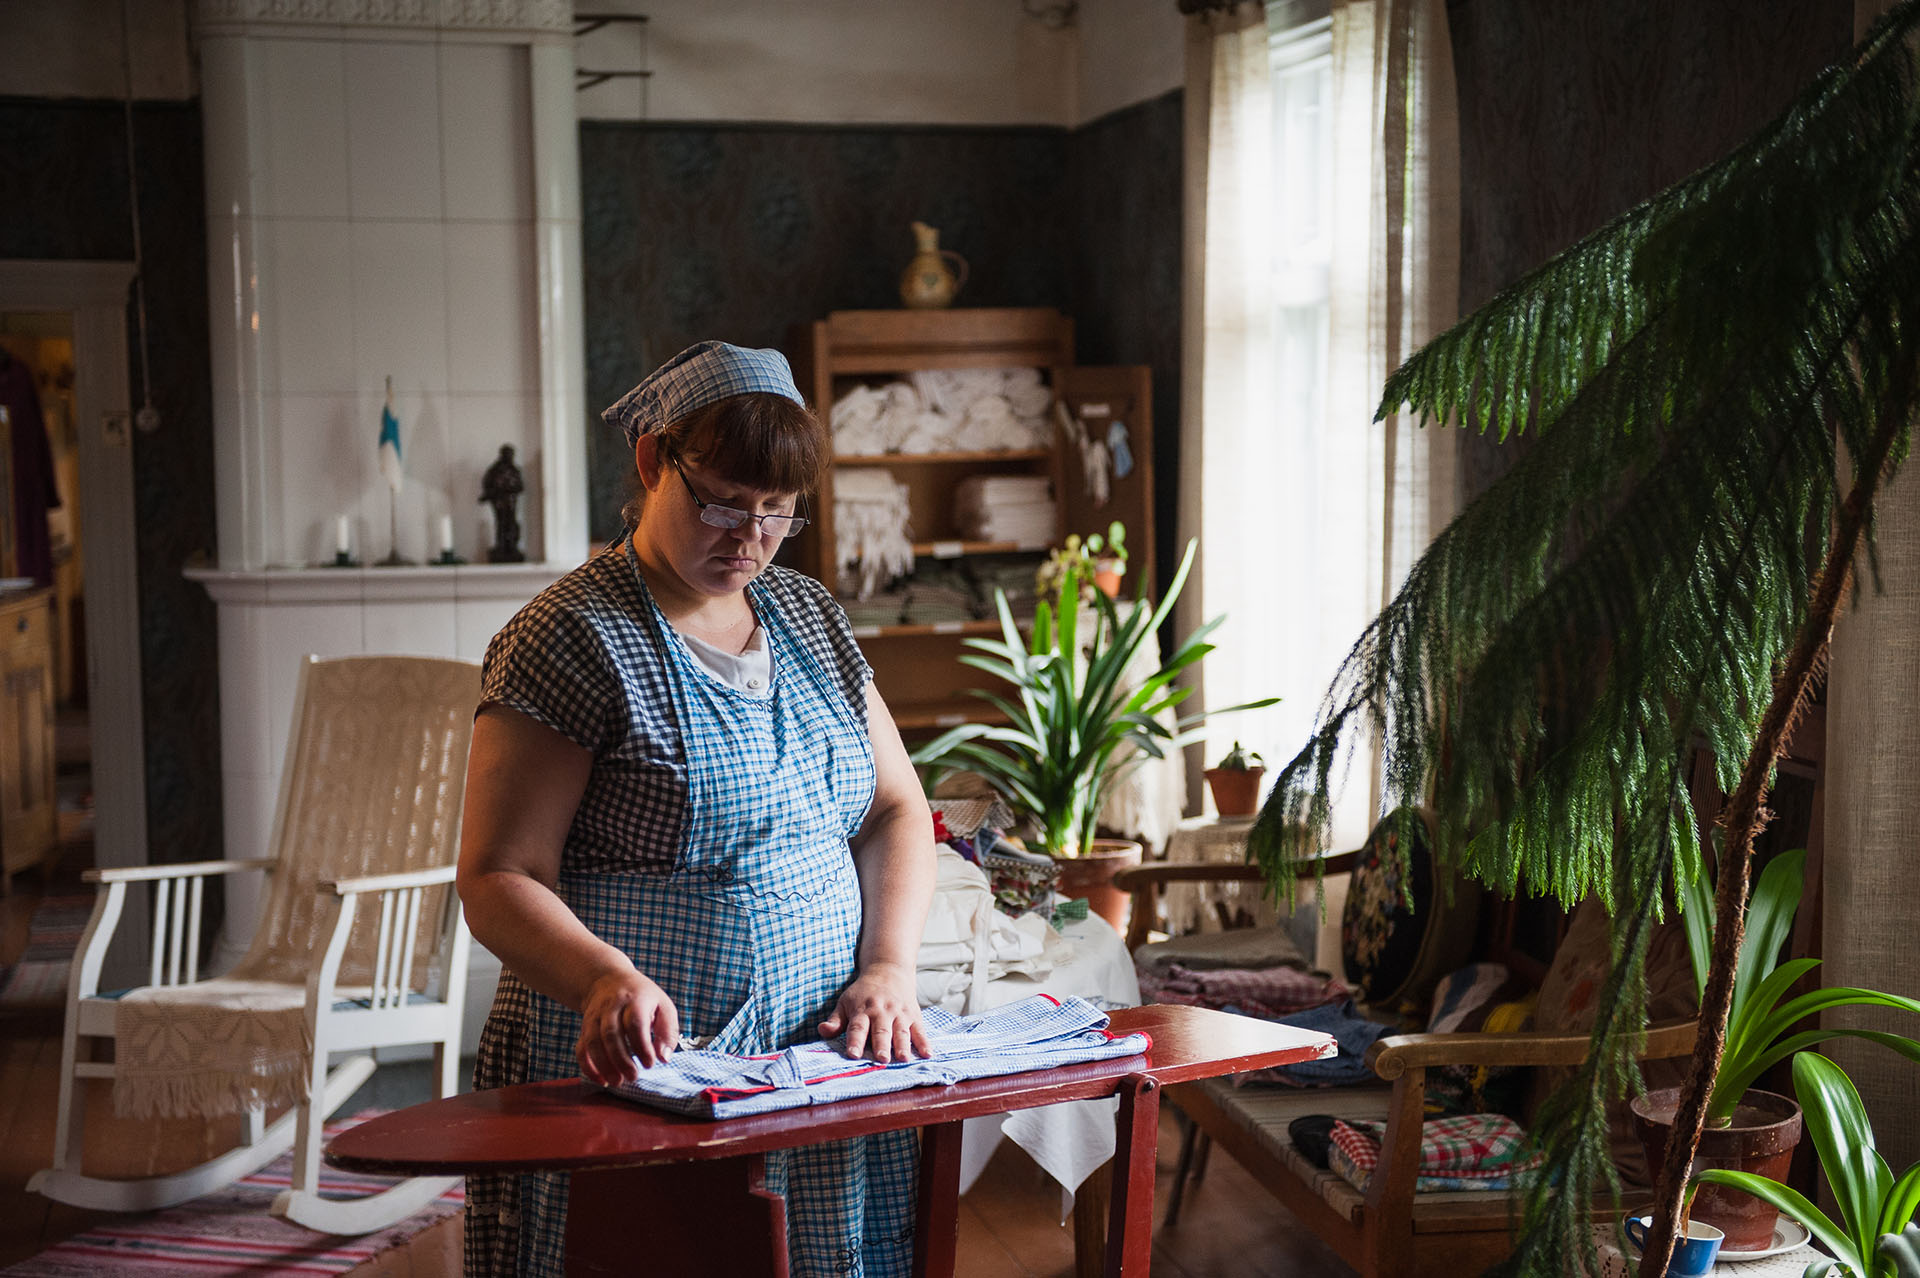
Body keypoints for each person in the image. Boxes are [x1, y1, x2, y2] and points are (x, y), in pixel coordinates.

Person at [457, 341, 936, 1278]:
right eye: (721, 504)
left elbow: (895, 811)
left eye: (776, 515)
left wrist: (887, 967)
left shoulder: (808, 617)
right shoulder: (571, 636)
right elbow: (498, 875)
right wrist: (601, 978)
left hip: (814, 1065)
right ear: (650, 462)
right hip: (640, 1067)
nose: (747, 539)